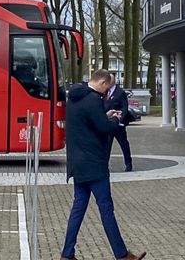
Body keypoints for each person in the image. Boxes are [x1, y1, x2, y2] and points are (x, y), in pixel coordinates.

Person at [60, 69, 147, 260]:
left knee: (78, 209)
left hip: (77, 163)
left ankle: (67, 254)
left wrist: (104, 114)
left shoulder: (74, 97)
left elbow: (87, 121)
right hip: (94, 165)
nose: (106, 92)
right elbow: (103, 128)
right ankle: (122, 255)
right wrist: (115, 118)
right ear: (101, 82)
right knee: (106, 209)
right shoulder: (93, 99)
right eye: (106, 88)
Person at [106, 77, 134, 172]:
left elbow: (124, 107)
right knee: (107, 145)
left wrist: (120, 118)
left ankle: (128, 163)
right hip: (108, 123)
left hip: (118, 124)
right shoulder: (104, 91)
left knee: (123, 144)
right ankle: (105, 165)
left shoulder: (120, 92)